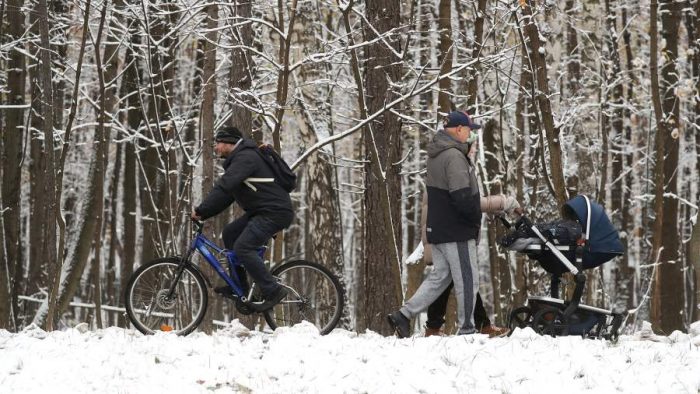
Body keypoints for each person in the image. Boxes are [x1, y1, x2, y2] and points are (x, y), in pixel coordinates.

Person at [388, 111, 484, 337]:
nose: (471, 135)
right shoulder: (454, 156)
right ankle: (467, 329)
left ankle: (403, 314)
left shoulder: (436, 153)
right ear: (459, 130)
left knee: (441, 276)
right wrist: (474, 216)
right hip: (455, 230)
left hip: (439, 228)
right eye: (469, 130)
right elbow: (461, 196)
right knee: (468, 279)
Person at [191, 126, 294, 312]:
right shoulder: (241, 159)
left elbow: (223, 187)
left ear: (229, 143)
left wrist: (201, 209)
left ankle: (272, 290)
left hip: (274, 212)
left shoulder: (246, 158)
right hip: (262, 211)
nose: (215, 147)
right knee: (230, 234)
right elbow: (227, 195)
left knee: (243, 247)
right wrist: (203, 213)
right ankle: (241, 288)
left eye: (218, 143)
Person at [422, 192, 520, 337]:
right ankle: (481, 325)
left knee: (459, 280)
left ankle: (434, 326)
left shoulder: (442, 176)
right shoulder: (449, 174)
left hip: (448, 235)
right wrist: (503, 202)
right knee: (465, 280)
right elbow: (466, 201)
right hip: (450, 237)